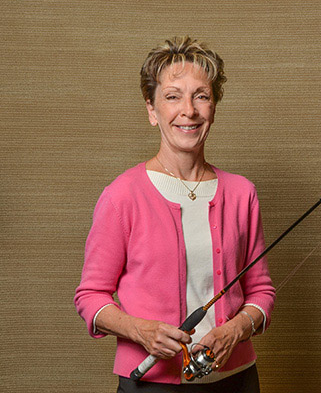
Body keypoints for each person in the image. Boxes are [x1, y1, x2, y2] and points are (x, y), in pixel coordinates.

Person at [74, 36, 275, 392]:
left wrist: (236, 330)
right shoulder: (122, 196)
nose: (189, 110)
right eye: (172, 96)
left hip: (237, 380)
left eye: (201, 95)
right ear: (152, 110)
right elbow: (90, 296)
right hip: (151, 383)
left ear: (214, 107)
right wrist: (140, 330)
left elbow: (261, 292)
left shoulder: (243, 193)